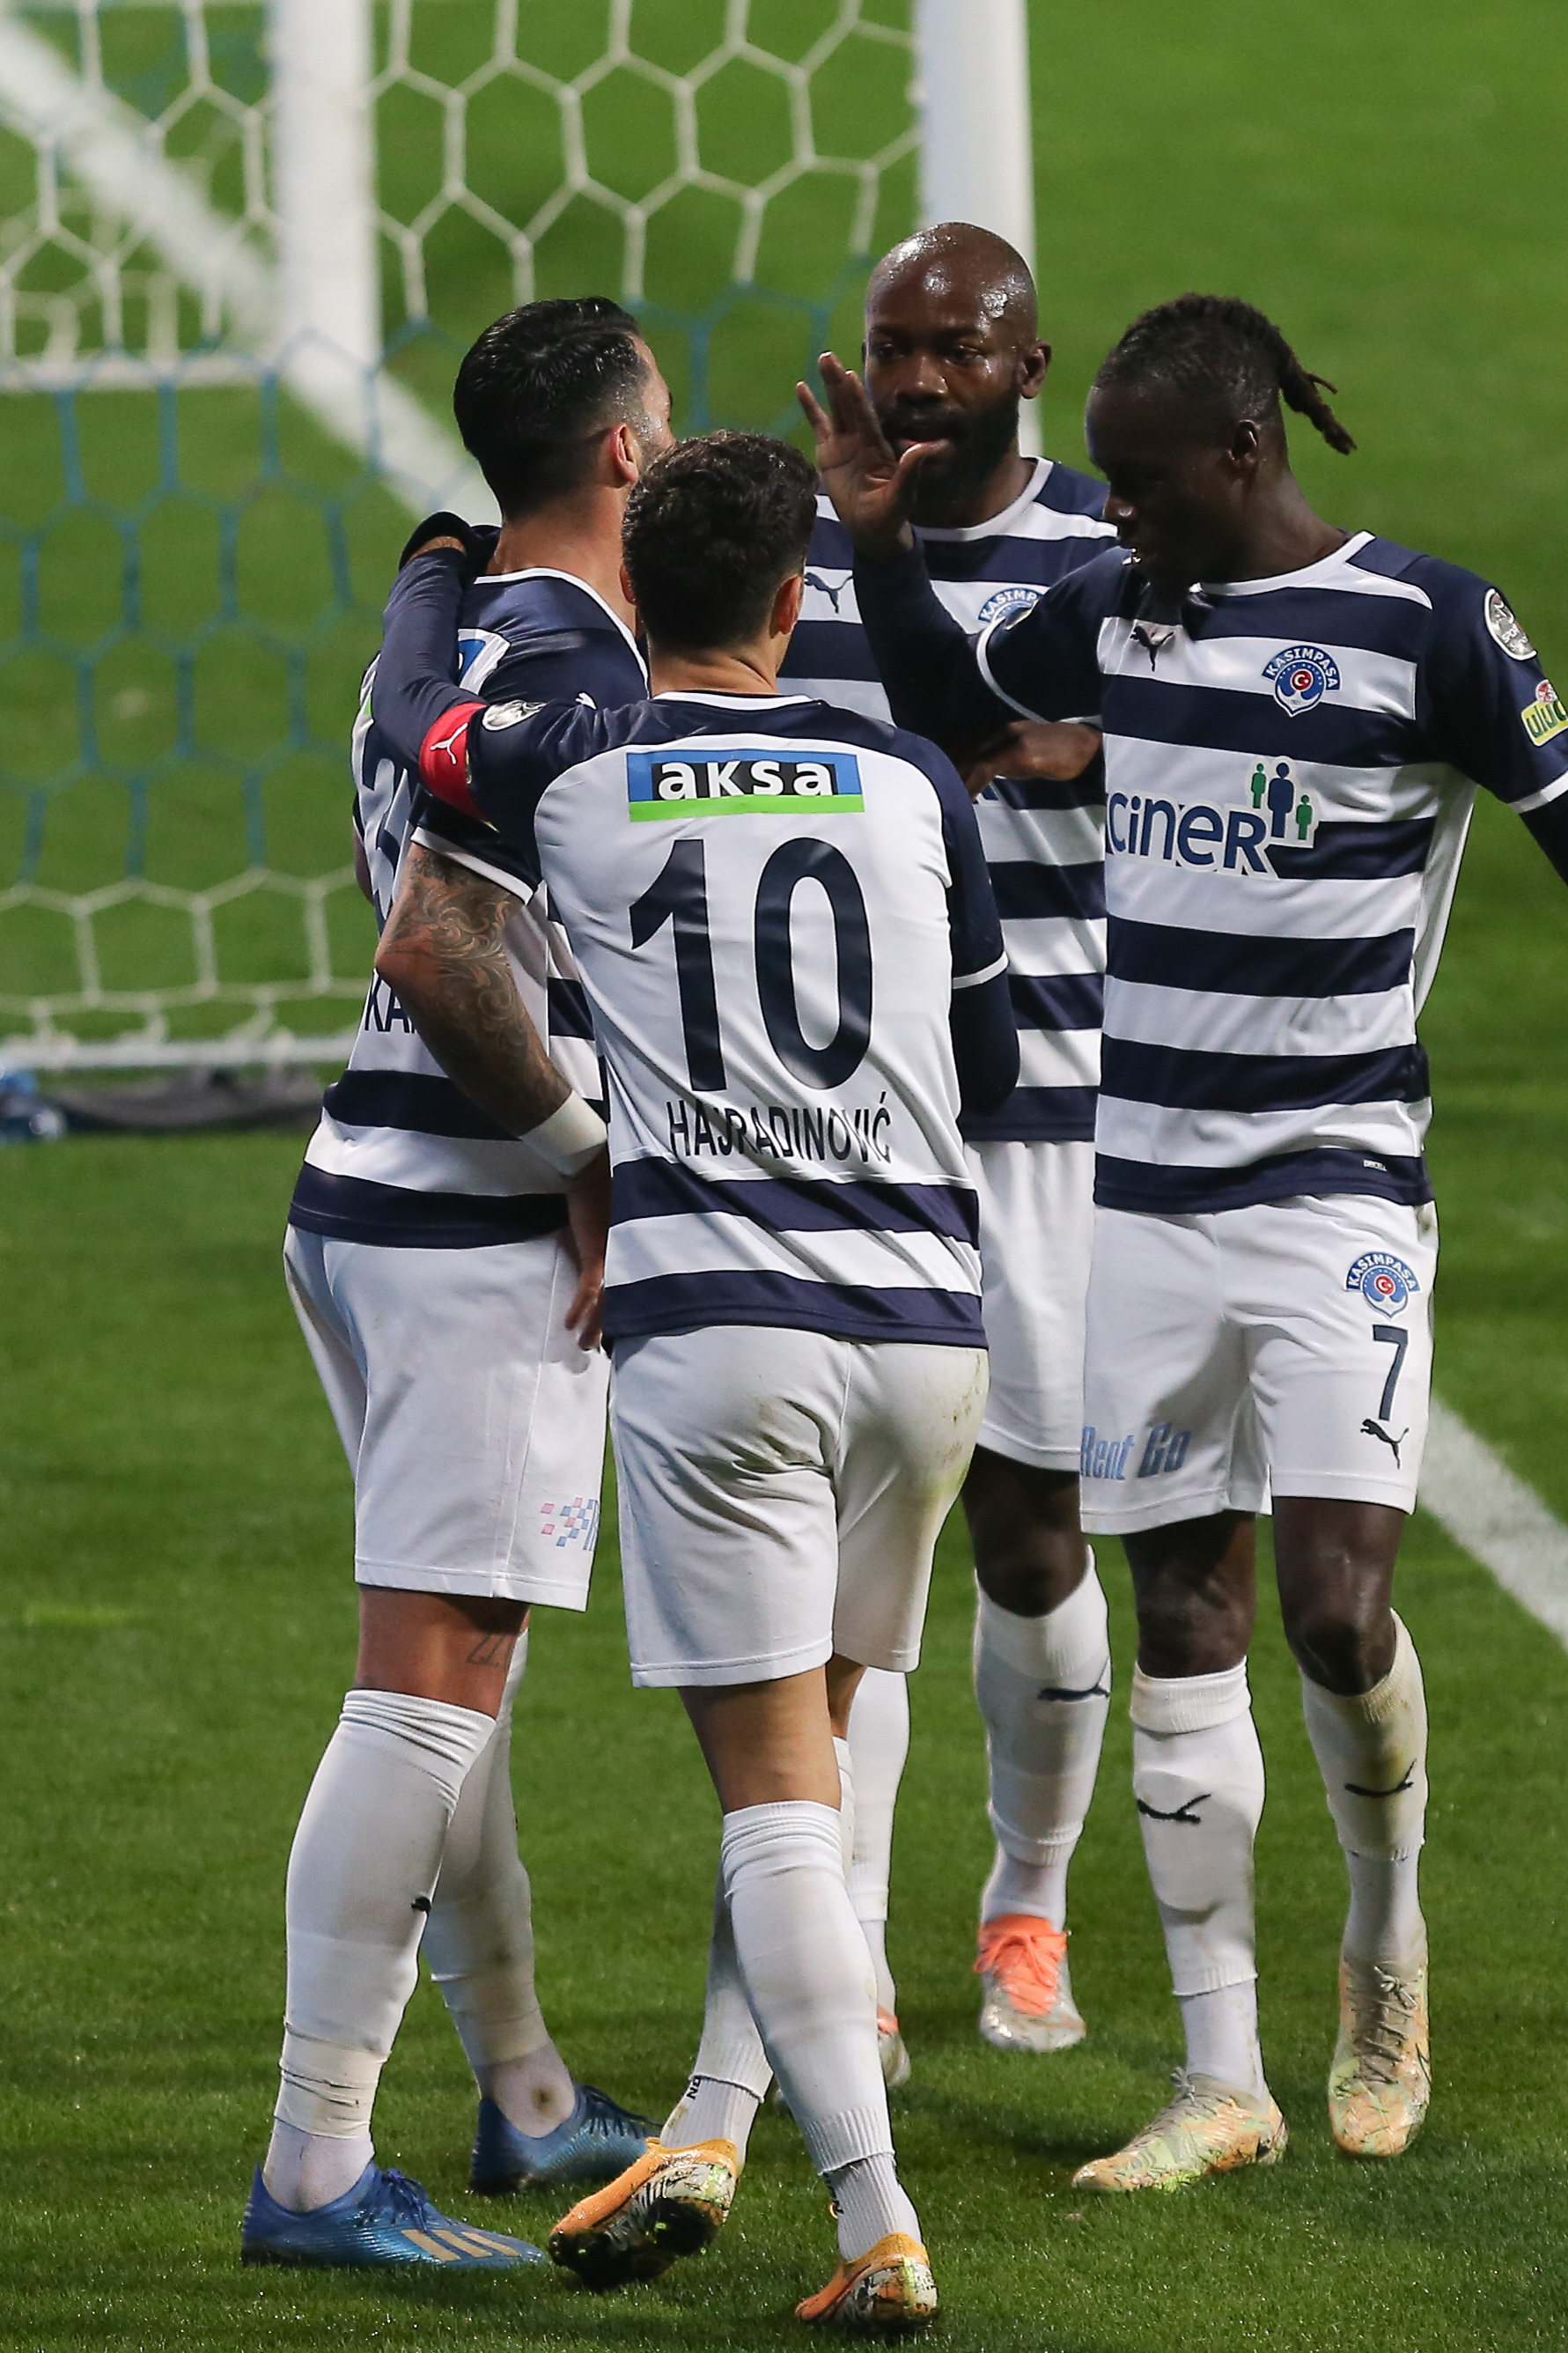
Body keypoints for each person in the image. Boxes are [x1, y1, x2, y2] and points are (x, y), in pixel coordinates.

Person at [800, 291, 1568, 2193]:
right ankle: (1220, 2080)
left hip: (1335, 1190)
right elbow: (960, 714)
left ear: (1242, 454)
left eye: (1144, 481)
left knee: (1337, 1613)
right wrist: (873, 550)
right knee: (1182, 1620)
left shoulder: (1431, 627)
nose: (1114, 511)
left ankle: (1384, 1947)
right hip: (1141, 1196)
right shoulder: (1124, 605)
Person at [369, 431, 1019, 2333]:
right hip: (928, 1331)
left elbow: (418, 734)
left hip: (723, 1330)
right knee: (821, 1753)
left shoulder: (573, 757)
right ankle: (719, 2126)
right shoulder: (908, 776)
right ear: (796, 602)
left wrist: (432, 576)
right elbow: (984, 1053)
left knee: (772, 1798)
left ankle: (876, 2222)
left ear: (633, 594)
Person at [241, 299, 672, 2273]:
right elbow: (432, 944)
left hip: (369, 1196)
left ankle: (523, 2091)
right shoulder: (573, 667)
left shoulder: (448, 634)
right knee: (428, 1685)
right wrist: (589, 1157)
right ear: (623, 454)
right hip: (474, 1235)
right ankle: (315, 2166)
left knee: (465, 1667)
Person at [782, 221, 1116, 2069]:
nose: (915, 379)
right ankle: (850, 1959)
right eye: (891, 344)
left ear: (1025, 366)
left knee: (1030, 1529)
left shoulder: (1110, 552)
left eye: (954, 349)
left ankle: (1027, 1904)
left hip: (1050, 1117)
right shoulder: (799, 555)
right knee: (855, 1548)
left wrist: (1093, 756)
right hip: (847, 1120)